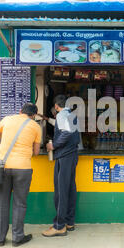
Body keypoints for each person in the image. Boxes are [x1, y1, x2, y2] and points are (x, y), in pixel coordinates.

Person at [0, 103, 41, 247]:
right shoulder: (36, 127)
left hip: (4, 166)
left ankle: (0, 238)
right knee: (20, 203)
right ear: (33, 115)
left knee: (2, 202)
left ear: (20, 111)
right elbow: (37, 152)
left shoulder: (7, 119)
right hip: (23, 168)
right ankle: (17, 237)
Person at [42, 95, 80, 237]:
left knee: (61, 191)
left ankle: (59, 225)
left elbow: (66, 132)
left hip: (64, 156)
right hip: (71, 155)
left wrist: (53, 145)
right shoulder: (71, 114)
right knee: (69, 188)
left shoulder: (60, 115)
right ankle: (69, 221)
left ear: (56, 106)